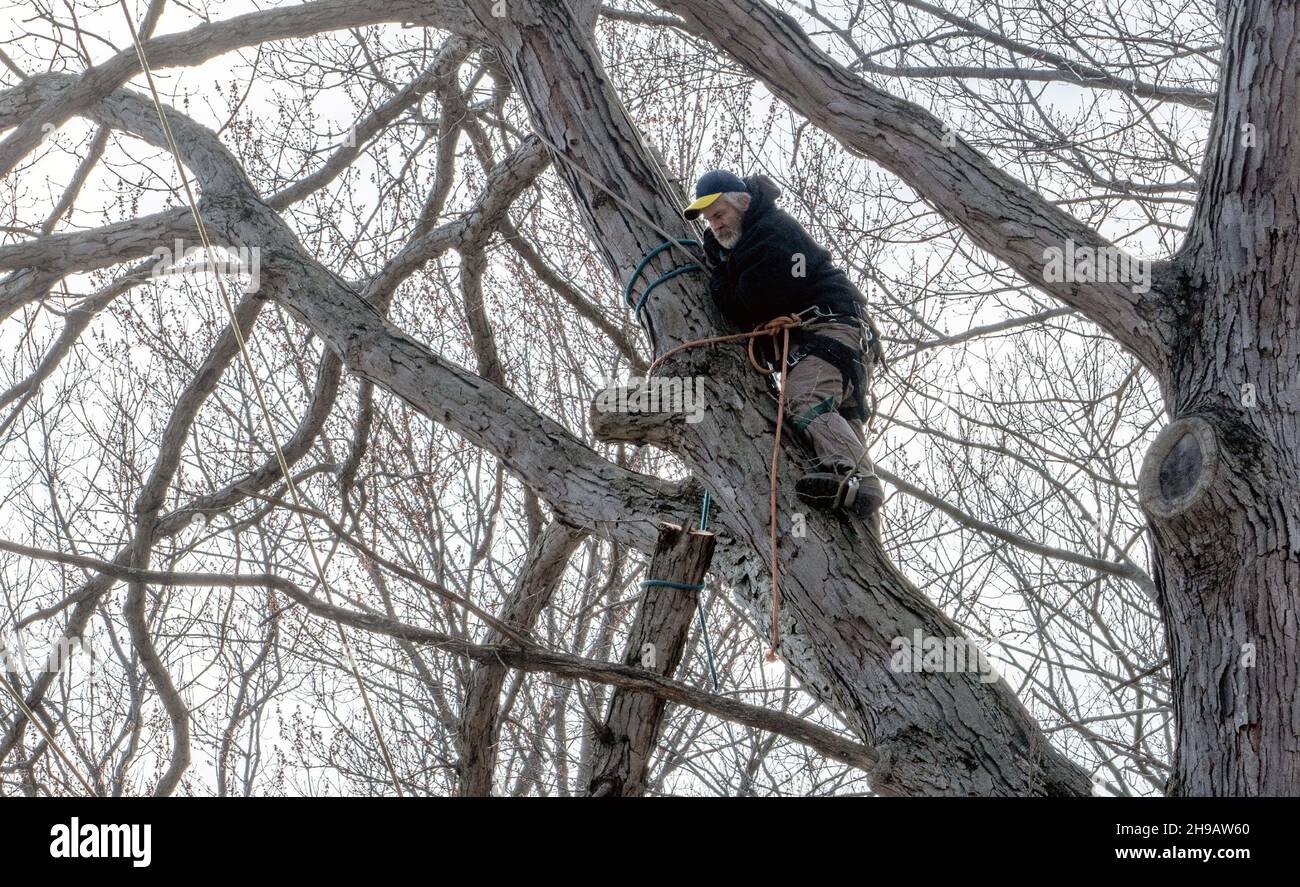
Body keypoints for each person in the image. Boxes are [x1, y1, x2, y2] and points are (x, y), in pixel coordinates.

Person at [683, 169, 885, 525]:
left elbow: (752, 303)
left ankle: (857, 478)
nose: (714, 225)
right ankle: (859, 506)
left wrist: (718, 276)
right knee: (837, 424)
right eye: (709, 220)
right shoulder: (749, 241)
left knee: (804, 397)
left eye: (719, 214)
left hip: (830, 329)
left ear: (742, 204)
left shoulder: (772, 231)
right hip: (834, 339)